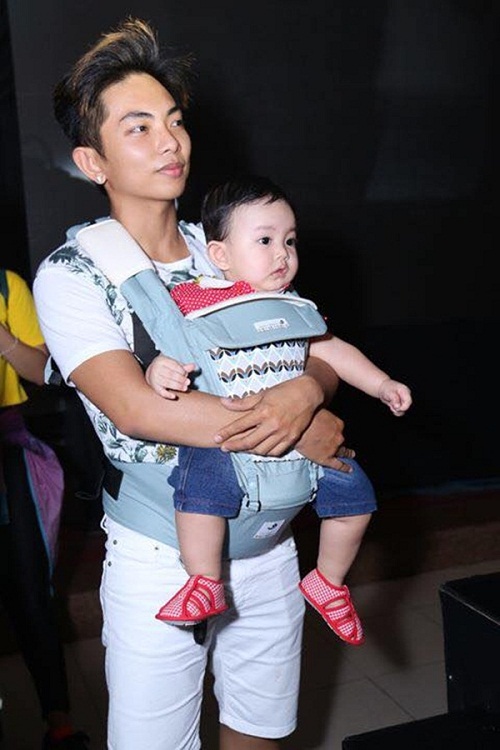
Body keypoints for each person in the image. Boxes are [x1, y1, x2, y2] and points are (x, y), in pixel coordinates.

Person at [33, 17, 354, 750]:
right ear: (92, 160)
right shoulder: (73, 274)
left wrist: (308, 392)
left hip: (268, 544)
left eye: (174, 121)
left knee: (260, 733)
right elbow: (135, 407)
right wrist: (295, 427)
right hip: (160, 555)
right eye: (139, 128)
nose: (170, 142)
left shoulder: (231, 244)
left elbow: (316, 348)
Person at [137, 175, 412, 644]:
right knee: (199, 489)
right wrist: (158, 371)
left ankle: (328, 581)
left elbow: (332, 350)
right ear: (220, 254)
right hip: (230, 437)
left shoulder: (295, 307)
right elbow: (166, 350)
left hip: (299, 438)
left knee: (355, 494)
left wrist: (381, 383)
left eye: (289, 241)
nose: (282, 254)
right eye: (265, 241)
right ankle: (204, 579)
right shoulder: (195, 301)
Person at [0, 268, 90, 749]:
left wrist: (3, 339)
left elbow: (41, 371)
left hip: (8, 447)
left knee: (31, 590)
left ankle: (60, 724)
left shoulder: (6, 285)